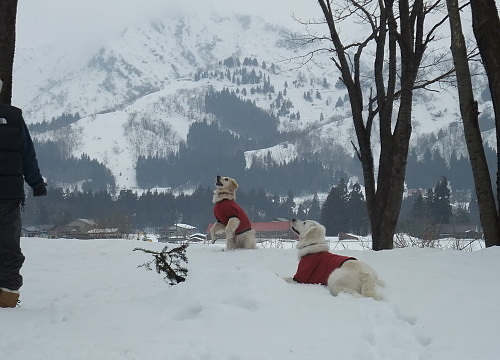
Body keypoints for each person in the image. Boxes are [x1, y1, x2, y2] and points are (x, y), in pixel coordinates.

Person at [0, 78, 47, 308]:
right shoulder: (14, 117)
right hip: (8, 196)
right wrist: (37, 184)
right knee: (8, 245)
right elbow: (28, 154)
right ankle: (7, 295)